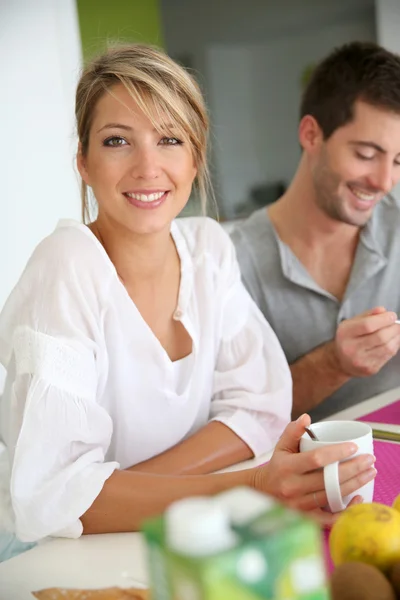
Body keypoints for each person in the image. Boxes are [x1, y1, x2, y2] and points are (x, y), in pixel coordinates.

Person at [0, 45, 375, 554]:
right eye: (117, 141)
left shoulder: (208, 249)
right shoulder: (66, 265)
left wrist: (123, 486)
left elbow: (260, 408)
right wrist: (250, 485)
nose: (148, 167)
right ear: (83, 164)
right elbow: (54, 499)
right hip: (59, 553)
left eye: (169, 139)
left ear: (195, 159)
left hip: (174, 533)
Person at [231, 41, 400, 421]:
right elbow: (238, 419)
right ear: (311, 135)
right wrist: (334, 364)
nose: (384, 181)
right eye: (366, 155)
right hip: (306, 471)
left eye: (399, 160)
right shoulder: (234, 263)